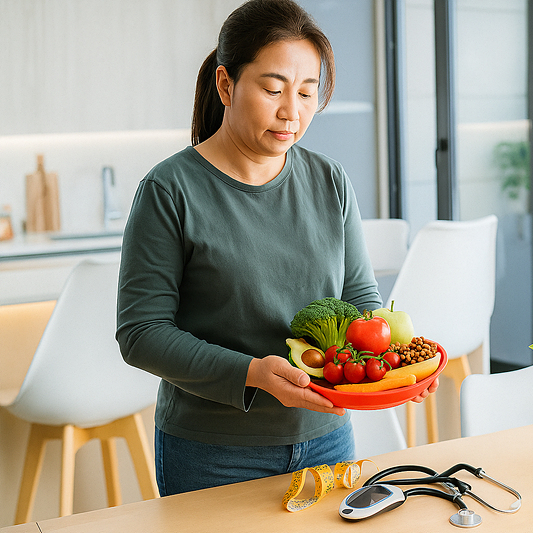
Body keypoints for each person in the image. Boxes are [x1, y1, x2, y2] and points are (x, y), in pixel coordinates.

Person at [116, 0, 437, 497]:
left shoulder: (330, 180)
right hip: (212, 452)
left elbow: (359, 296)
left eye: (308, 93)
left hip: (328, 438)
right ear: (226, 85)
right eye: (273, 90)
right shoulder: (169, 189)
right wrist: (252, 374)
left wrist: (395, 362)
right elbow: (141, 333)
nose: (292, 112)